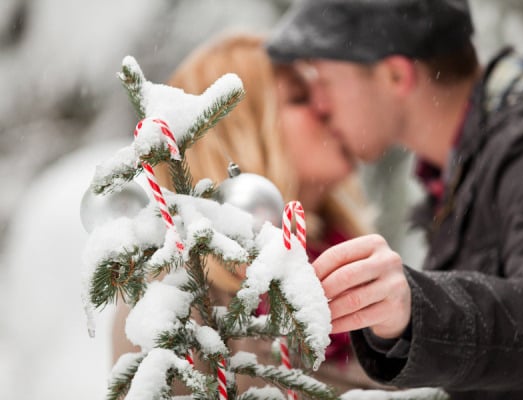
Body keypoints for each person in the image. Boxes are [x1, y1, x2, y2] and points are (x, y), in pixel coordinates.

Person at [265, 1, 523, 399]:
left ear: (395, 74)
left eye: (323, 79)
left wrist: (415, 309)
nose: (319, 103)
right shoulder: (465, 169)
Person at [112, 32, 395, 394]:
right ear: (242, 130)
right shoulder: (177, 293)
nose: (328, 107)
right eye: (300, 97)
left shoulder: (351, 258)